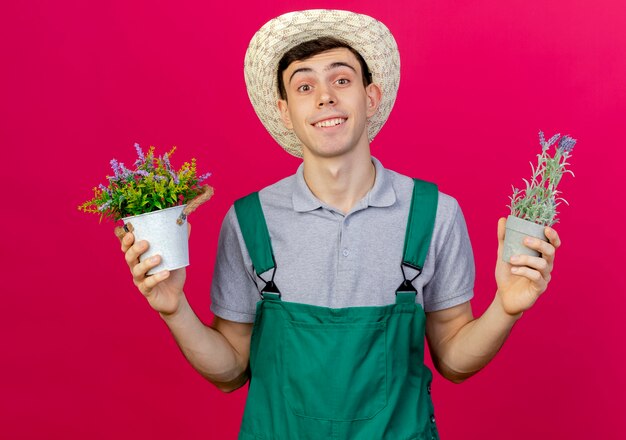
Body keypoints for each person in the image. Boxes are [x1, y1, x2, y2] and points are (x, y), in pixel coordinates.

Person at [119, 10, 561, 439]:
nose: (325, 97)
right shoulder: (250, 219)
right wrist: (174, 309)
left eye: (342, 79)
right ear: (286, 110)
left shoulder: (434, 213)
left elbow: (454, 360)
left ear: (371, 97)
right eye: (305, 85)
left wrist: (506, 307)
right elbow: (231, 371)